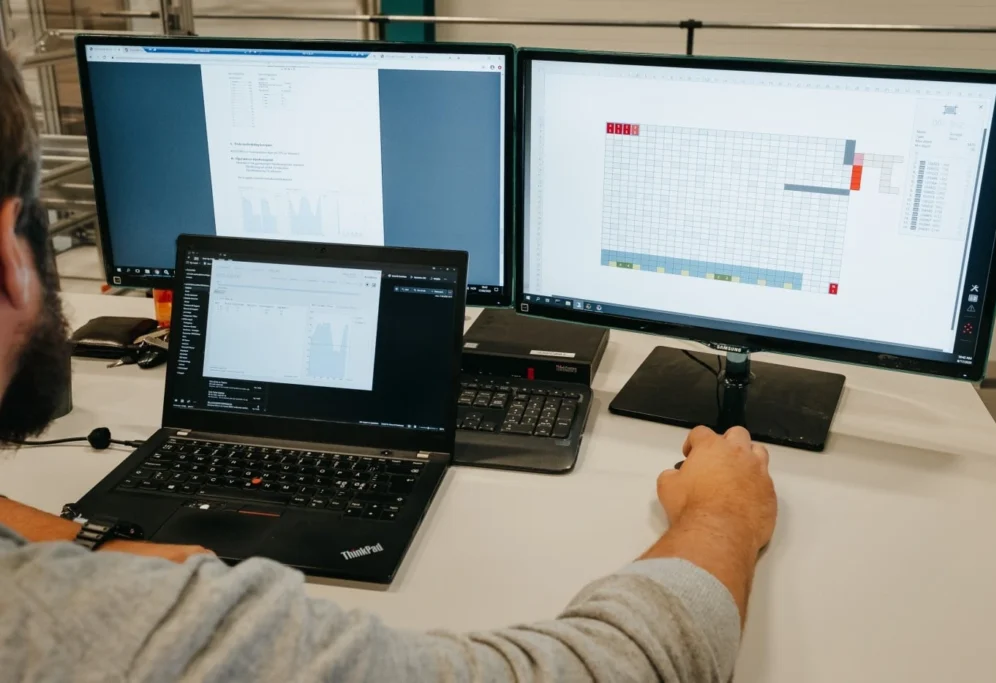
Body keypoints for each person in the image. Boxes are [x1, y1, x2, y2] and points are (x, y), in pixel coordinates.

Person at [0, 45, 777, 681]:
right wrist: (724, 513)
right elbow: (605, 668)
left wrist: (86, 541)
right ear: (12, 250)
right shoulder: (137, 635)